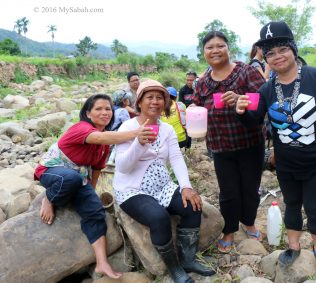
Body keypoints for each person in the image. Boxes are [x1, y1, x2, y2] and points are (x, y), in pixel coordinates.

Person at [236, 21, 316, 274]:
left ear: (293, 49)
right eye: (270, 53)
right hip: (287, 163)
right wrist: (240, 111)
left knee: (314, 208)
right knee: (290, 205)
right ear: (265, 58)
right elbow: (254, 119)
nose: (277, 56)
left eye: (282, 49)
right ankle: (293, 246)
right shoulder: (267, 88)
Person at [34, 94, 148, 279]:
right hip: (52, 172)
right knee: (71, 179)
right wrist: (136, 133)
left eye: (108, 109)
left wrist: (91, 195)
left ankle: (101, 262)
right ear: (88, 113)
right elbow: (101, 138)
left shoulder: (103, 147)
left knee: (95, 211)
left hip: (78, 179)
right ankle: (49, 198)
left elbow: (96, 170)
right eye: (99, 109)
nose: (105, 112)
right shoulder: (82, 128)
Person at [113, 79, 215, 283]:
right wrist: (138, 144)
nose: (155, 101)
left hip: (162, 187)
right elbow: (123, 167)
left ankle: (187, 260)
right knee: (158, 217)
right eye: (149, 97)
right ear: (139, 102)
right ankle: (175, 268)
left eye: (160, 97)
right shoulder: (127, 126)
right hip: (132, 190)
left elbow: (176, 159)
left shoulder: (167, 129)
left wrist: (186, 186)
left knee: (192, 205)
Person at [192, 31, 266, 253]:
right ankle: (230, 229)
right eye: (209, 47)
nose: (215, 50)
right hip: (220, 145)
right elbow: (196, 105)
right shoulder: (203, 82)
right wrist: (194, 110)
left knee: (250, 187)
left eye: (220, 46)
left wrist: (240, 100)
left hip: (250, 142)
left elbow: (263, 99)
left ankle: (249, 222)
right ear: (204, 52)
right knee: (228, 191)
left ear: (228, 48)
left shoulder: (245, 72)